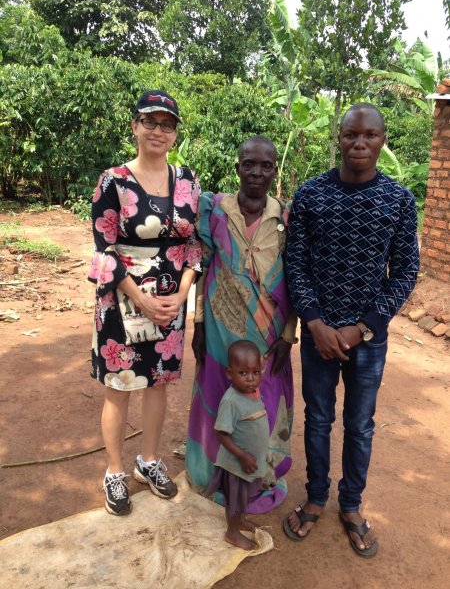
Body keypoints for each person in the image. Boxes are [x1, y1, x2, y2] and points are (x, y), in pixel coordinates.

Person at [284, 104, 419, 556]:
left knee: (360, 426)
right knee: (318, 420)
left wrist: (362, 328)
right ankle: (317, 497)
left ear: (382, 140)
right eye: (351, 135)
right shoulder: (310, 196)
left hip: (367, 340)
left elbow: (404, 272)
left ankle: (351, 505)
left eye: (369, 136)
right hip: (319, 336)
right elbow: (295, 265)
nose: (359, 144)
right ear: (337, 138)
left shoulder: (399, 200)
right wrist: (317, 323)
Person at [88, 90, 202, 516]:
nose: (158, 130)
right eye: (150, 121)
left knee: (158, 382)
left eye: (167, 124)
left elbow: (194, 245)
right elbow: (104, 248)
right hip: (122, 299)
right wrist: (140, 298)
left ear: (175, 134)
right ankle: (115, 471)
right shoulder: (113, 181)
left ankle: (149, 462)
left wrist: (182, 292)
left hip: (172, 301)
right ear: (135, 126)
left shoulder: (188, 180)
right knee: (119, 386)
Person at [186, 135, 297, 513]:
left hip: (268, 334)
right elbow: (202, 270)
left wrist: (287, 334)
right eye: (249, 163)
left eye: (266, 165)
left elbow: (295, 278)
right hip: (220, 330)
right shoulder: (215, 211)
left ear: (274, 170)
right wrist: (199, 324)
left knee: (263, 400)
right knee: (217, 397)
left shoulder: (285, 217)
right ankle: (209, 473)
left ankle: (257, 476)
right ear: (238, 167)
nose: (257, 172)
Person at [207, 340, 270, 551]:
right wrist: (242, 455)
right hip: (236, 465)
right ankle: (232, 532)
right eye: (243, 373)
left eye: (256, 372)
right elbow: (220, 433)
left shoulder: (253, 393)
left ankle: (240, 521)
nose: (251, 379)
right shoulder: (231, 401)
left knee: (243, 497)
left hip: (250, 461)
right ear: (229, 373)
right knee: (235, 499)